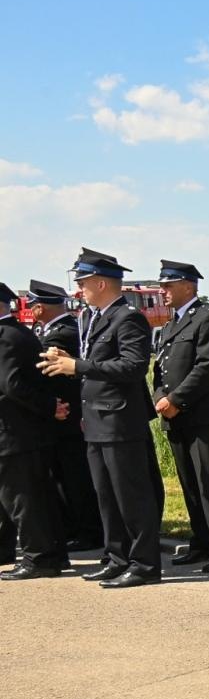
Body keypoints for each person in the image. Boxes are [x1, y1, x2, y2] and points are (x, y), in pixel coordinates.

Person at [39, 248, 165, 589]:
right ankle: (117, 557)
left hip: (120, 420)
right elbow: (97, 361)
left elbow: (133, 367)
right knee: (106, 494)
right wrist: (71, 358)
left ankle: (144, 564)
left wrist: (77, 366)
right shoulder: (92, 317)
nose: (79, 290)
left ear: (100, 282)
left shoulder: (128, 318)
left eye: (82, 283)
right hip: (96, 419)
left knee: (131, 494)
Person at [152, 261, 209, 573]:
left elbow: (207, 367)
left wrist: (176, 400)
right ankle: (203, 543)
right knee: (190, 484)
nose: (162, 291)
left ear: (189, 286)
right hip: (173, 415)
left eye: (168, 286)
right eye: (161, 286)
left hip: (201, 415)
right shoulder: (168, 326)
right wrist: (159, 399)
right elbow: (160, 371)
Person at [28, 280, 101, 551]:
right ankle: (76, 528)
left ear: (38, 309)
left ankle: (88, 532)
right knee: (67, 477)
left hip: (67, 416)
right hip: (65, 415)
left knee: (75, 477)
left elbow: (42, 375)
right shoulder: (62, 329)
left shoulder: (59, 335)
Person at [0, 282, 66, 580]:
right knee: (26, 495)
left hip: (15, 431)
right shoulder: (15, 333)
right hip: (22, 431)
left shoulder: (7, 337)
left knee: (22, 497)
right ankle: (48, 554)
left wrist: (49, 406)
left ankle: (39, 558)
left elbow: (12, 385)